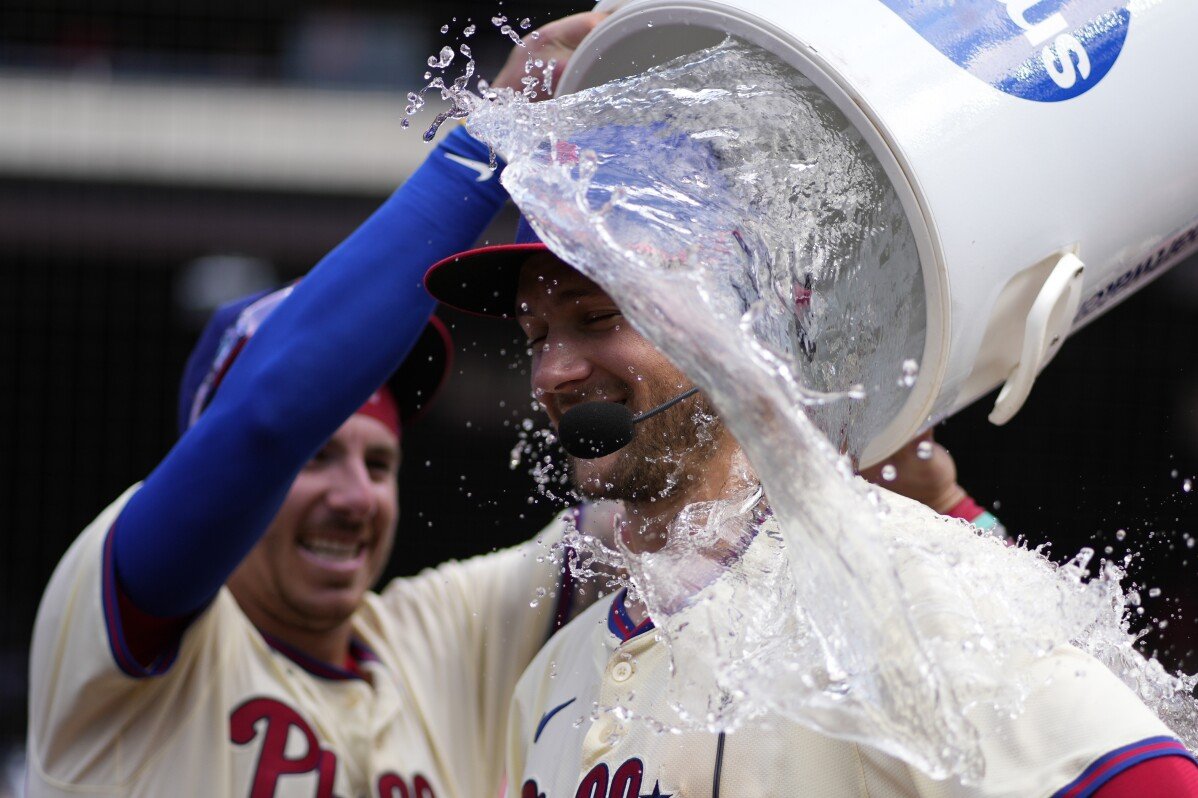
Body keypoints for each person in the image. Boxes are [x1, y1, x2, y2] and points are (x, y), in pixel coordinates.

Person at [25, 14, 611, 798]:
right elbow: (266, 422)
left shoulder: (438, 639)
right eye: (317, 457)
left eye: (379, 461)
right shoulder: (122, 625)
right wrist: (487, 140)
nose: (354, 496)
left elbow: (661, 504)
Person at [424, 218, 1198, 796]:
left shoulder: (887, 583)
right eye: (535, 337)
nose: (553, 372)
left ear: (728, 331)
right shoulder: (554, 672)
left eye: (597, 318)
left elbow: (1155, 782)